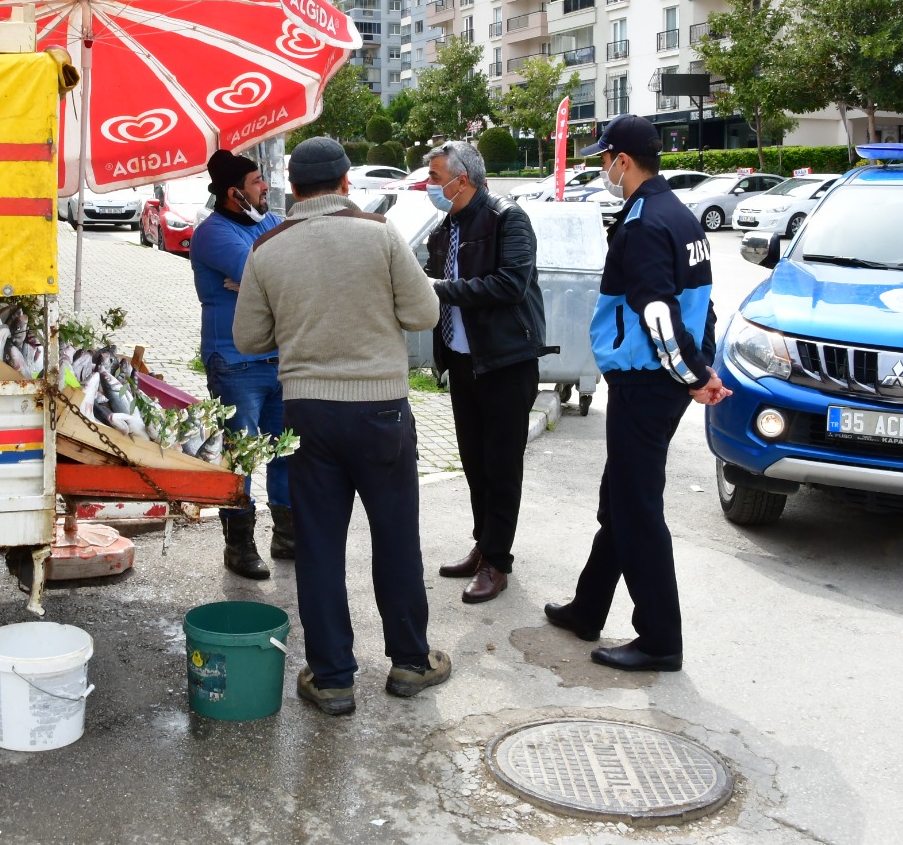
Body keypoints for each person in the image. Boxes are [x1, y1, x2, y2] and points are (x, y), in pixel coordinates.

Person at [233, 136, 449, 716]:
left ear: (293, 190)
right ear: (346, 184)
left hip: (308, 416)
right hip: (381, 410)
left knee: (320, 547)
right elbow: (425, 312)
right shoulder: (380, 236)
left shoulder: (267, 249)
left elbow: (248, 339)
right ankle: (409, 662)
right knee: (397, 538)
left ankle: (331, 678)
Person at [545, 115, 732, 672]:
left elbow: (657, 311)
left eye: (604, 159)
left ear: (622, 161)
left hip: (647, 382)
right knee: (620, 498)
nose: (602, 168)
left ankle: (659, 639)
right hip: (664, 379)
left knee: (638, 510)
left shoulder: (646, 223)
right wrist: (701, 366)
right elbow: (703, 303)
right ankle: (588, 607)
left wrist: (694, 377)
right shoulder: (681, 216)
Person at [423, 141, 554, 604]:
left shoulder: (506, 218)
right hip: (463, 362)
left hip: (505, 361)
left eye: (436, 178)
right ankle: (483, 544)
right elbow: (426, 278)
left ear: (464, 180)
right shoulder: (445, 229)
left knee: (501, 465)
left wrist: (440, 288)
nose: (430, 187)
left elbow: (510, 283)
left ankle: (498, 561)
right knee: (474, 462)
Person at [189, 149, 288, 580]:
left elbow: (286, 273)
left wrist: (256, 281)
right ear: (234, 193)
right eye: (255, 182)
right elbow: (274, 273)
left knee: (286, 452)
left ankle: (286, 535)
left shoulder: (265, 222)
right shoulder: (212, 233)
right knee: (242, 458)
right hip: (234, 361)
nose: (264, 186)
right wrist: (264, 277)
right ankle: (239, 546)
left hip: (278, 357)